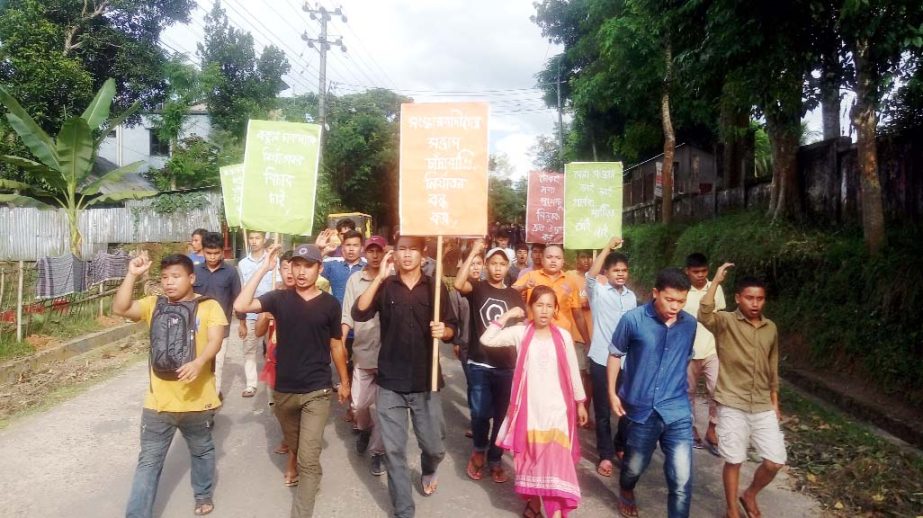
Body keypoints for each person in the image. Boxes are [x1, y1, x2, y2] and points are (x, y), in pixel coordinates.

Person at [234, 243, 350, 518]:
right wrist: (264, 267)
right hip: (284, 390)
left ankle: (302, 510)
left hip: (318, 389)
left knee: (307, 459)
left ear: (319, 269)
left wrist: (344, 381)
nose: (300, 271)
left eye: (307, 266)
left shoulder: (330, 305)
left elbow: (336, 346)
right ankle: (312, 475)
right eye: (296, 265)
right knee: (297, 446)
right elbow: (241, 305)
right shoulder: (278, 299)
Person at [113, 253, 227, 517]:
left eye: (175, 277)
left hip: (198, 401)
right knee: (148, 463)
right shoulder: (154, 304)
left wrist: (199, 363)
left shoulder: (210, 306)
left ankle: (202, 495)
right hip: (158, 404)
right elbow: (120, 308)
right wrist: (132, 274)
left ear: (191, 278)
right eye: (164, 278)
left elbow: (215, 341)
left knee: (202, 452)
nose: (169, 283)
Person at [352, 234, 458, 518]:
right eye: (402, 249)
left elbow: (453, 328)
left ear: (424, 255)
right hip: (390, 382)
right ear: (394, 254)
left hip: (426, 382)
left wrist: (444, 331)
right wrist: (379, 276)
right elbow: (359, 313)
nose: (407, 254)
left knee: (434, 445)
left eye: (413, 249)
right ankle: (403, 511)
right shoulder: (385, 287)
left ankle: (430, 467)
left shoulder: (435, 288)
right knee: (394, 451)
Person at [480, 286, 588, 518]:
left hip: (557, 412)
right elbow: (486, 339)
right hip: (530, 412)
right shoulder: (520, 333)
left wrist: (580, 402)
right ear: (530, 308)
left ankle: (555, 511)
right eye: (539, 305)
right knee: (534, 463)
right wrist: (508, 315)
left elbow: (572, 371)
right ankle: (535, 504)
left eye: (550, 306)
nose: (544, 311)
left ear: (556, 310)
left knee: (556, 465)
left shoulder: (564, 337)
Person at [608, 268, 696, 518]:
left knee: (681, 480)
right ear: (655, 293)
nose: (675, 306)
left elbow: (685, 357)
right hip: (641, 410)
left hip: (676, 410)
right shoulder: (633, 320)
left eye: (681, 301)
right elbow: (615, 354)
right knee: (634, 467)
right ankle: (626, 490)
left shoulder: (689, 324)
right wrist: (613, 394)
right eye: (670, 299)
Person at [699, 267, 785, 518]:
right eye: (750, 297)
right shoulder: (725, 321)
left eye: (759, 298)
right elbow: (704, 313)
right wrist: (715, 280)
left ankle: (749, 494)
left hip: (762, 405)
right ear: (738, 298)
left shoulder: (770, 328)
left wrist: (775, 401)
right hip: (731, 402)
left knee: (775, 461)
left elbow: (773, 365)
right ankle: (731, 510)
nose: (755, 303)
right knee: (734, 459)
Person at [454, 241, 525, 484]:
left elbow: (522, 329)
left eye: (502, 264)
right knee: (480, 412)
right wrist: (473, 251)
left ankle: (496, 458)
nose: (497, 268)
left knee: (502, 416)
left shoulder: (515, 295)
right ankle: (479, 450)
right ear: (486, 266)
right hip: (479, 363)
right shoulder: (478, 288)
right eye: (493, 263)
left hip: (506, 365)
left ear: (508, 267)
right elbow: (457, 283)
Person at [584, 237, 636, 477]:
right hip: (601, 360)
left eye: (624, 270)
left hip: (626, 361)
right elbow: (590, 276)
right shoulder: (598, 293)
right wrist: (606, 248)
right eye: (616, 270)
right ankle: (605, 455)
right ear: (608, 271)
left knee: (627, 408)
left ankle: (620, 445)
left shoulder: (631, 297)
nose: (621, 274)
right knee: (603, 410)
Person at [340, 235, 388, 476]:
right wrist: (339, 340)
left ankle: (378, 452)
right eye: (370, 250)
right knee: (359, 404)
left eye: (379, 250)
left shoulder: (394, 278)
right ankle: (364, 428)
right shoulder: (355, 279)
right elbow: (348, 314)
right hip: (363, 350)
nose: (375, 255)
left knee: (383, 409)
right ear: (364, 253)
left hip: (389, 354)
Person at [513, 245, 590, 375]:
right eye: (549, 257)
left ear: (563, 260)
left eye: (558, 258)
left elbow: (578, 315)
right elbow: (508, 292)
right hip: (535, 338)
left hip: (562, 338)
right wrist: (524, 287)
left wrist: (587, 341)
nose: (553, 261)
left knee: (560, 377)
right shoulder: (531, 276)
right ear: (542, 259)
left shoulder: (570, 281)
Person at [256, 250, 297, 486]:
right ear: (279, 270)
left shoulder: (308, 296)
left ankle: (294, 461)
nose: (290, 272)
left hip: (300, 366)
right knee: (279, 410)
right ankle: (288, 436)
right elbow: (258, 332)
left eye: (294, 267)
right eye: (285, 267)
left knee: (297, 415)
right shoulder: (271, 296)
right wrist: (266, 315)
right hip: (274, 364)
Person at [683, 252, 726, 454]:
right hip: (687, 351)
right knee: (687, 393)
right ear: (687, 272)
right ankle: (691, 430)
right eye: (695, 271)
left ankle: (712, 430)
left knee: (718, 392)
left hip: (712, 350)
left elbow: (721, 319)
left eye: (704, 271)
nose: (700, 275)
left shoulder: (716, 289)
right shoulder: (682, 290)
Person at [193, 232, 241, 400]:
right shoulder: (194, 271)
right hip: (196, 329)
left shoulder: (231, 272)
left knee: (217, 367)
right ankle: (198, 400)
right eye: (208, 253)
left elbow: (238, 298)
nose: (212, 257)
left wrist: (242, 322)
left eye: (216, 253)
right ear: (203, 251)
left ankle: (210, 406)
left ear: (222, 252)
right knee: (198, 364)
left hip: (221, 330)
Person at [236, 231, 277, 398]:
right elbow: (240, 291)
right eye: (251, 238)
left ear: (263, 239)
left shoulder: (274, 260)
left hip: (271, 313)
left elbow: (280, 283)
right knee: (249, 349)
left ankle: (274, 381)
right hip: (251, 313)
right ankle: (251, 384)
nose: (253, 241)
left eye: (257, 238)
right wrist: (241, 321)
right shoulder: (242, 264)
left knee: (273, 350)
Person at [566, 249, 594, 427]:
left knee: (590, 377)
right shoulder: (568, 276)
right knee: (577, 375)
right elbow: (566, 298)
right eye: (582, 257)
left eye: (589, 257)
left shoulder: (600, 279)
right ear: (576, 259)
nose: (586, 260)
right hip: (575, 335)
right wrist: (580, 303)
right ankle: (573, 411)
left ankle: (585, 412)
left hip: (595, 336)